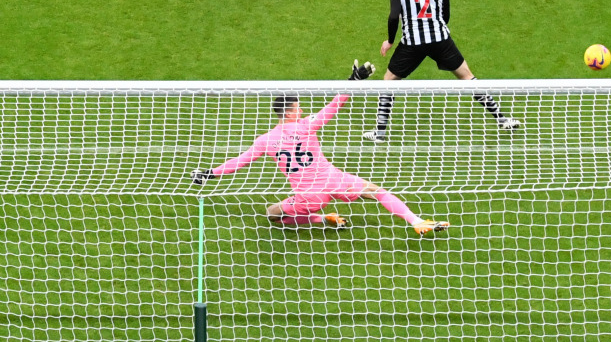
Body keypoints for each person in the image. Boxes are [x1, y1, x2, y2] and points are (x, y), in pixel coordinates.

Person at [191, 61, 450, 236]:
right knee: (378, 192)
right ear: (290, 111)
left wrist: (209, 173)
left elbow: (241, 161)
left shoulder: (265, 140)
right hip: (334, 180)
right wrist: (354, 81)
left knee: (272, 214)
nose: (301, 109)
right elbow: (334, 106)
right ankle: (416, 222)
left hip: (308, 196)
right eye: (298, 107)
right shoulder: (306, 125)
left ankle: (321, 219)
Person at [364, 0, 521, 143]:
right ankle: (502, 119)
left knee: (389, 82)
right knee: (467, 76)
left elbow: (394, 16)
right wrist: (436, 29)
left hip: (412, 43)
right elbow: (445, 14)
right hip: (440, 39)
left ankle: (380, 132)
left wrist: (390, 40)